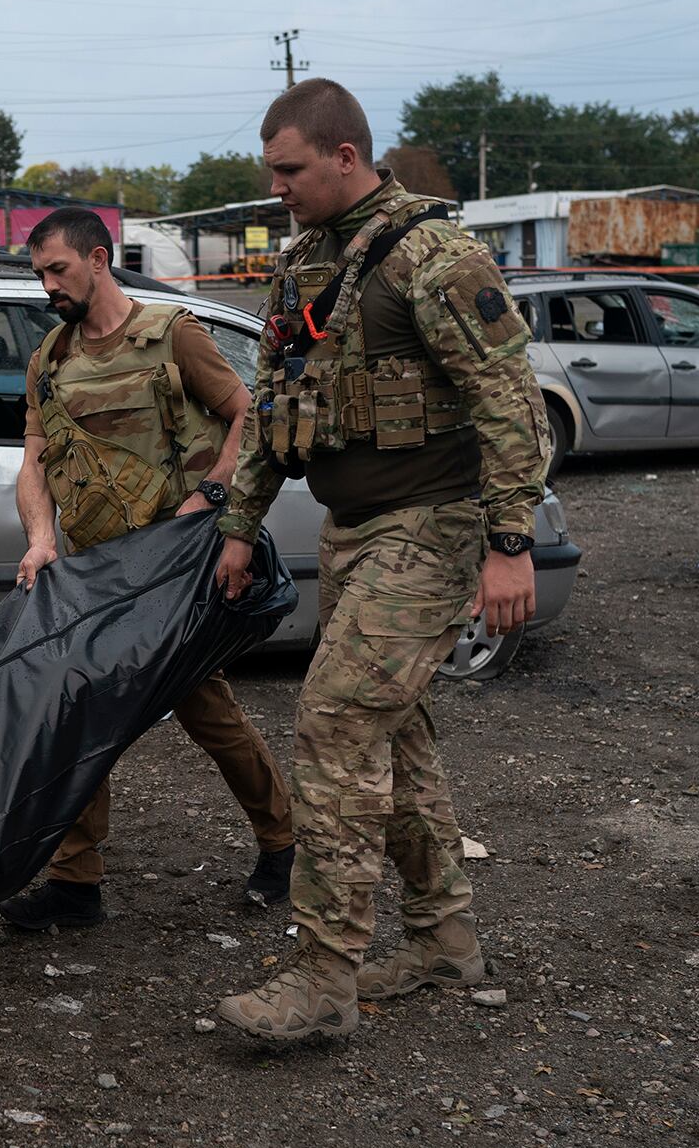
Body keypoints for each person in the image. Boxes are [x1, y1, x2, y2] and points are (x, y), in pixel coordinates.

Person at [211, 79, 550, 1042]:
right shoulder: (308, 262)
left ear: (345, 157)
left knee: (333, 723)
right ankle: (445, 938)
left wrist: (511, 546)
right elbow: (273, 399)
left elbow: (510, 404)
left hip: (431, 525)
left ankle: (325, 978)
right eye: (272, 171)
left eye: (289, 170)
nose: (276, 188)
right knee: (393, 736)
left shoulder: (434, 255)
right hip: (353, 530)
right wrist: (242, 523)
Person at [0, 205, 296, 930]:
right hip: (94, 576)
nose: (47, 286)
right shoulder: (51, 360)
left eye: (57, 269)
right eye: (38, 273)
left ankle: (285, 846)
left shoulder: (172, 336)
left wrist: (216, 498)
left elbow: (246, 415)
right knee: (79, 711)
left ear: (98, 259)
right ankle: (75, 883)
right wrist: (40, 538)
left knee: (208, 713)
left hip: (171, 572)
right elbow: (34, 460)